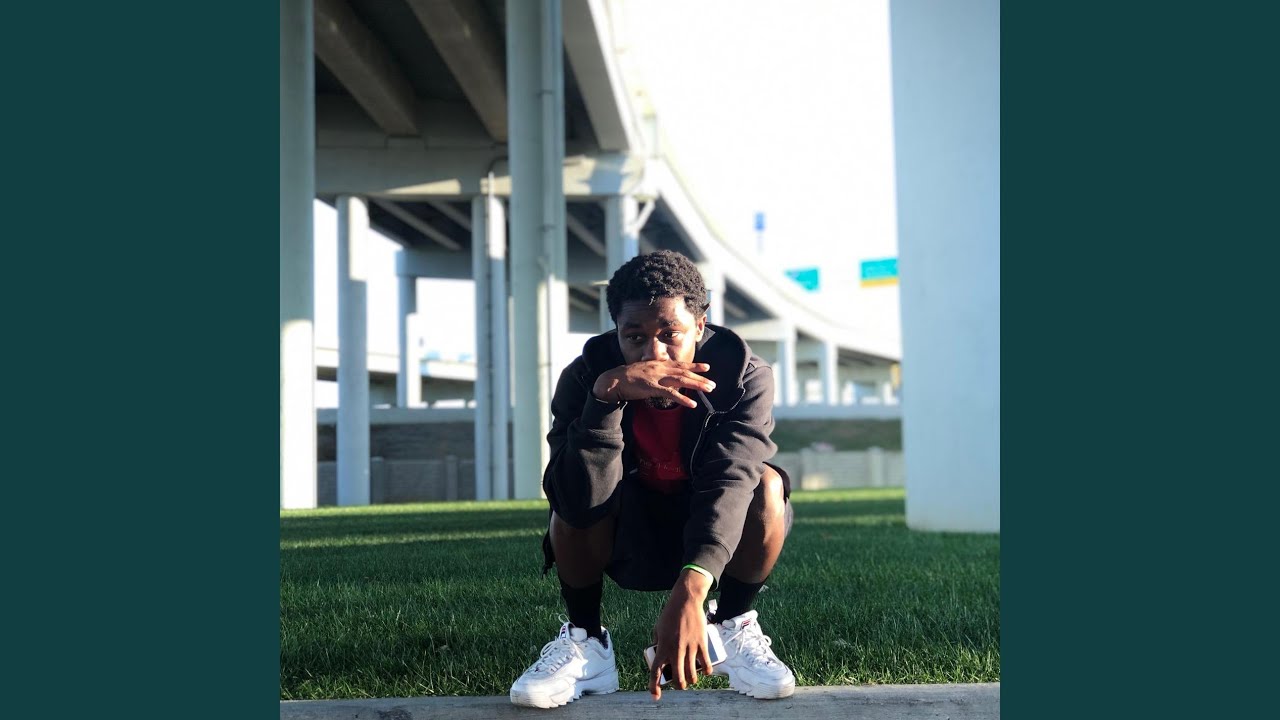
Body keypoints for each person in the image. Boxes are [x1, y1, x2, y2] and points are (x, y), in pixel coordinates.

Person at [509, 250, 796, 708]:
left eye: (669, 334)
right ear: (616, 333)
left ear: (699, 326)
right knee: (570, 486)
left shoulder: (745, 376)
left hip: (707, 524)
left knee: (765, 485)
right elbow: (575, 499)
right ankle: (587, 643)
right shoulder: (586, 377)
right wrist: (604, 400)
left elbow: (731, 479)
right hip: (625, 529)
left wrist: (694, 587)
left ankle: (732, 625)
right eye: (635, 337)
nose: (653, 355)